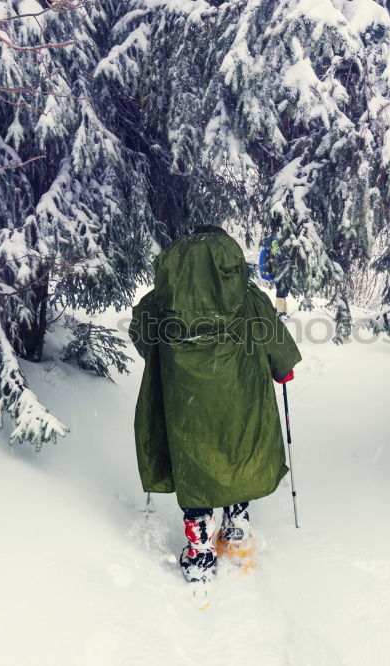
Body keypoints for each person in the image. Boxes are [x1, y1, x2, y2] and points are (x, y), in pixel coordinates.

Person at [129, 225, 302, 584]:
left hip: (185, 407)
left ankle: (199, 551)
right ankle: (236, 524)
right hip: (241, 400)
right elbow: (278, 349)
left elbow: (141, 338)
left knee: (194, 465)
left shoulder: (160, 302)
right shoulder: (251, 299)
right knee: (238, 454)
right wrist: (282, 369)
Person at [258, 235, 291, 318]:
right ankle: (280, 311)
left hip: (277, 272)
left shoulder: (267, 249)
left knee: (282, 291)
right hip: (274, 272)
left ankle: (281, 310)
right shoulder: (268, 250)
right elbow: (264, 263)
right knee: (281, 291)